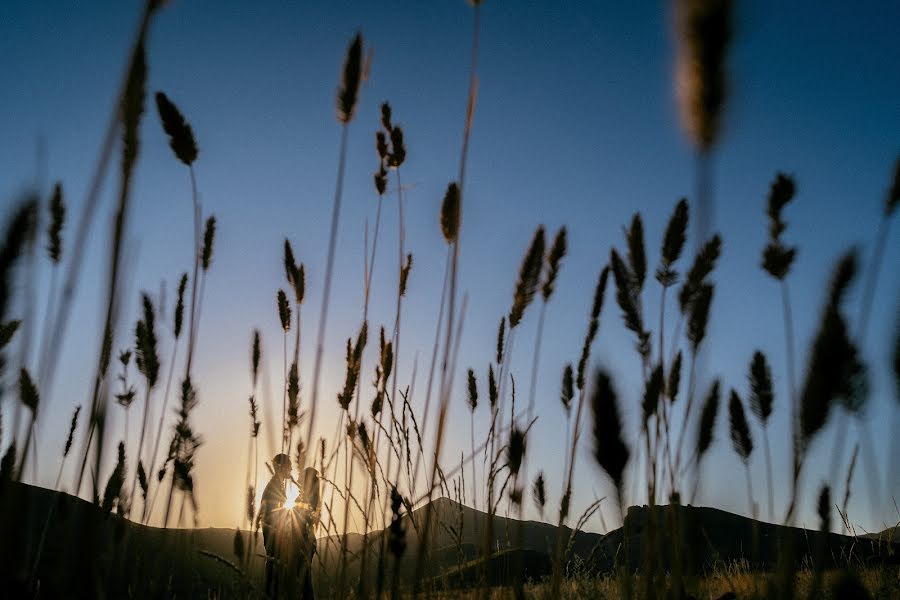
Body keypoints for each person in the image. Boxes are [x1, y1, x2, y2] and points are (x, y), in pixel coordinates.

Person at [260, 453, 292, 597]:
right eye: (289, 465)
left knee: (275, 573)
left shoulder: (277, 485)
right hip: (274, 536)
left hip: (274, 535)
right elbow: (275, 514)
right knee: (275, 573)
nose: (291, 468)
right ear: (281, 467)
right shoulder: (274, 487)